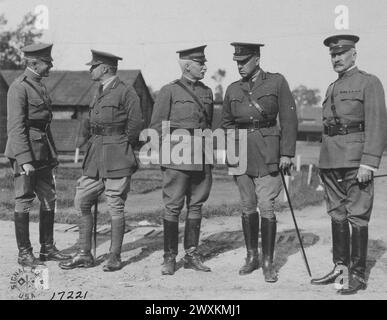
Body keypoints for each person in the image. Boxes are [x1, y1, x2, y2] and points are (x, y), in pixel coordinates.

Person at [311, 35, 387, 294]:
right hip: (331, 160)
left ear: (354, 54)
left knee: (358, 214)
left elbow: (377, 124)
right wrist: (323, 162)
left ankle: (357, 274)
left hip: (356, 160)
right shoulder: (333, 86)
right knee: (337, 213)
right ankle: (340, 269)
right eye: (333, 54)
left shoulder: (369, 82)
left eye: (341, 53)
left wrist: (369, 163)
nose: (336, 58)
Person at [59, 50, 143, 272]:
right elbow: (91, 122)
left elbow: (135, 127)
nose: (90, 70)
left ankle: (114, 257)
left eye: (93, 66)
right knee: (82, 200)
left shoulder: (127, 92)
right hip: (95, 155)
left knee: (115, 204)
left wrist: (121, 147)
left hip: (117, 155)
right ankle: (84, 254)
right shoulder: (98, 91)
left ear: (105, 68)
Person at [221, 42, 298, 282]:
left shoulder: (276, 82)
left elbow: (289, 119)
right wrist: (234, 149)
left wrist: (286, 153)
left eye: (244, 61)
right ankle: (252, 256)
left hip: (268, 152)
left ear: (257, 58)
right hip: (242, 154)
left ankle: (267, 262)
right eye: (237, 62)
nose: (240, 66)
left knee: (266, 205)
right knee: (247, 205)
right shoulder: (233, 89)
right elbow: (226, 123)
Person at [149, 45, 214, 275]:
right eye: (200, 63)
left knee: (196, 205)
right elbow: (157, 125)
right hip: (177, 157)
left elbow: (208, 126)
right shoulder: (169, 91)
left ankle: (191, 254)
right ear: (188, 66)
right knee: (173, 207)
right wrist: (164, 157)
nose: (205, 66)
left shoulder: (207, 92)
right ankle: (169, 257)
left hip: (202, 156)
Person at [5, 43, 71, 267]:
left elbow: (44, 125)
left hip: (42, 153)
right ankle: (25, 254)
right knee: (24, 199)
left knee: (49, 197)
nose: (50, 66)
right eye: (47, 63)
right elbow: (16, 128)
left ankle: (47, 248)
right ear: (33, 63)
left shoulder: (40, 86)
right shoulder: (18, 87)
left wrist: (53, 155)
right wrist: (24, 159)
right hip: (26, 153)